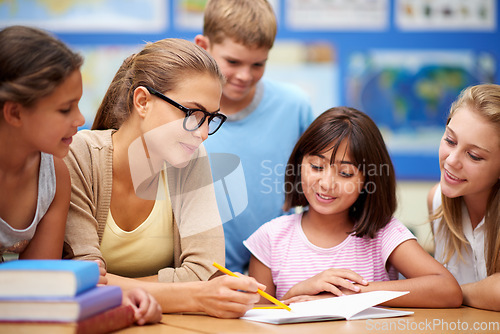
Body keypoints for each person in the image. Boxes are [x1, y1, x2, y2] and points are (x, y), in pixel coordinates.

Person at [63, 37, 263, 318]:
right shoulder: (78, 156)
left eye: (211, 118)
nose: (203, 133)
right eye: (192, 113)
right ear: (143, 101)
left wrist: (126, 291)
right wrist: (194, 298)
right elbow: (85, 281)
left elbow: (205, 270)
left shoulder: (192, 159)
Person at [0, 25, 161, 325]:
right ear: (15, 113)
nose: (80, 119)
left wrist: (117, 299)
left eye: (77, 103)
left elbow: (39, 291)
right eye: (64, 109)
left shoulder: (55, 175)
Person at [245, 107, 463, 308]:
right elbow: (259, 321)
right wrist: (297, 292)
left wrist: (350, 294)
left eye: (345, 173)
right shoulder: (270, 239)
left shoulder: (384, 234)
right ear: (299, 164)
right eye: (316, 167)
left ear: (368, 181)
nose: (327, 183)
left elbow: (447, 290)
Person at [195, 0, 315, 273]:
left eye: (258, 64)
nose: (244, 75)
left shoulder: (295, 106)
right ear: (203, 46)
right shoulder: (179, 111)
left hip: (275, 272)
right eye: (232, 61)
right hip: (197, 273)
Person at [428, 84, 500, 312]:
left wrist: (449, 292)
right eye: (450, 141)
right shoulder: (436, 200)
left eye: (474, 156)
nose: (451, 161)